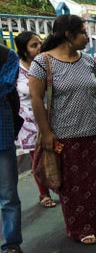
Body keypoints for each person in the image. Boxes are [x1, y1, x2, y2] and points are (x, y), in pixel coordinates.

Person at [28, 14, 96, 245]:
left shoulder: (87, 60)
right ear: (69, 35)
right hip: (64, 135)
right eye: (83, 32)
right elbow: (36, 98)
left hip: (94, 131)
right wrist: (46, 132)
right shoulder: (42, 62)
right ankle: (81, 227)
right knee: (74, 186)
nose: (87, 37)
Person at [14, 31, 57, 208]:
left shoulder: (47, 63)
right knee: (37, 157)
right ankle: (44, 193)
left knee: (56, 151)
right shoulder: (16, 69)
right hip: (28, 120)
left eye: (40, 43)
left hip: (50, 115)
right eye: (34, 45)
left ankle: (59, 185)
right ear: (24, 51)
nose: (39, 47)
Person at [1, 44, 29, 253]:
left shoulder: (6, 55)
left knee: (9, 196)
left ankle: (11, 246)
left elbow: (4, 86)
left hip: (1, 137)